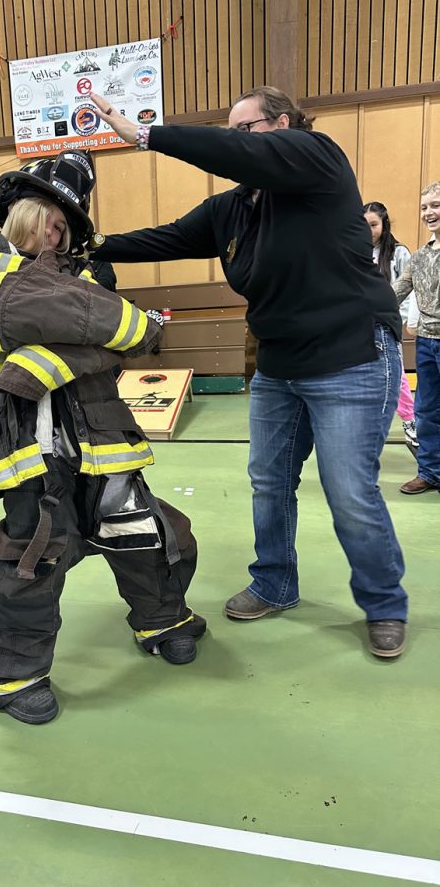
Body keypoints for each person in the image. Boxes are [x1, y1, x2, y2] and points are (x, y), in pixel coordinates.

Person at [90, 85, 407, 659]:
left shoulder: (318, 159)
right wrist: (88, 247)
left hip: (351, 356)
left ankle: (384, 604)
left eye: (245, 130)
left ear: (282, 124)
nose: (237, 143)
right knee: (269, 481)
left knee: (350, 492)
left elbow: (242, 155)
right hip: (281, 364)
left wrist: (146, 135)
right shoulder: (234, 208)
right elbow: (169, 238)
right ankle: (275, 584)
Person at [0, 150, 206, 725]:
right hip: (24, 446)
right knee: (35, 553)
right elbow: (114, 324)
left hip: (100, 435)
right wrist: (113, 334)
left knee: (141, 528)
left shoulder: (81, 279)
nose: (55, 235)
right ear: (16, 214)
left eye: (65, 227)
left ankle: (164, 620)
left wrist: (53, 353)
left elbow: (131, 331)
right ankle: (7, 677)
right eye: (47, 220)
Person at [393, 181, 440, 495]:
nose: (428, 212)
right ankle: (431, 472)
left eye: (435, 205)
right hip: (426, 342)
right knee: (425, 410)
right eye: (424, 207)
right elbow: (394, 293)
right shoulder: (420, 257)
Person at [363, 201, 419, 453]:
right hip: (361, 326)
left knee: (395, 377)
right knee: (366, 377)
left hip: (389, 325)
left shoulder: (399, 253)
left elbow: (407, 291)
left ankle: (409, 421)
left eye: (373, 224)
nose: (369, 230)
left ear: (384, 224)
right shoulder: (358, 252)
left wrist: (402, 320)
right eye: (364, 225)